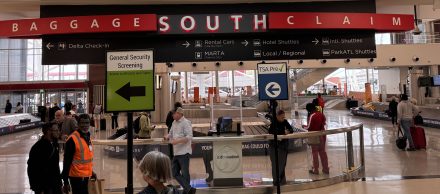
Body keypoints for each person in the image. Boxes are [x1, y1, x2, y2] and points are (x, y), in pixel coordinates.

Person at [62, 114, 96, 194]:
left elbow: (86, 158)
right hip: (76, 177)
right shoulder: (72, 139)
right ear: (78, 124)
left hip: (85, 176)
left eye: (87, 123)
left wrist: (91, 171)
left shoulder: (87, 137)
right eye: (82, 123)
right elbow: (66, 161)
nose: (85, 125)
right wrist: (66, 182)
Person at [164, 107, 196, 194]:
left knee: (185, 173)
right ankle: (189, 188)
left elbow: (189, 136)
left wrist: (177, 141)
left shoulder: (186, 123)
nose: (172, 115)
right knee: (174, 172)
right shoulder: (174, 122)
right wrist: (167, 136)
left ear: (179, 113)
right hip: (176, 152)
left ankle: (187, 190)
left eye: (173, 114)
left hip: (184, 152)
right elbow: (171, 133)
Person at [27, 122, 62, 194]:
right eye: (56, 130)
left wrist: (59, 183)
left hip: (54, 185)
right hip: (44, 187)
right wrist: (38, 188)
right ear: (48, 131)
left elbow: (55, 167)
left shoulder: (54, 144)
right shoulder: (38, 147)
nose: (59, 132)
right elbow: (32, 169)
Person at [268, 110, 294, 185]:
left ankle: (282, 180)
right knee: (275, 164)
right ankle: (276, 180)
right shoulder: (273, 123)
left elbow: (291, 130)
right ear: (277, 116)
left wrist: (286, 132)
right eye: (282, 117)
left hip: (283, 146)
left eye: (284, 117)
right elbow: (272, 132)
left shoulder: (285, 122)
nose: (283, 118)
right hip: (274, 146)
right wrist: (283, 132)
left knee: (282, 164)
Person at [304, 103, 329, 175]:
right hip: (322, 135)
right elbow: (324, 122)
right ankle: (326, 169)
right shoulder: (321, 114)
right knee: (322, 152)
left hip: (314, 136)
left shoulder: (312, 115)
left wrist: (303, 126)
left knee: (314, 153)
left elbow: (309, 127)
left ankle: (316, 170)